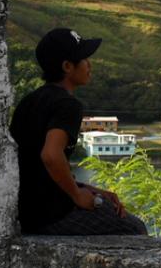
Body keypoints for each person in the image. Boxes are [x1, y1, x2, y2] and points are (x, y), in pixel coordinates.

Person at [10, 28, 148, 235]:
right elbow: (50, 155)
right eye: (84, 59)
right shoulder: (68, 105)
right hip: (50, 216)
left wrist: (89, 189)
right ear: (67, 66)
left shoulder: (29, 101)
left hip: (26, 212)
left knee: (107, 204)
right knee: (135, 228)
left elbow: (35, 169)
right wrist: (77, 195)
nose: (89, 64)